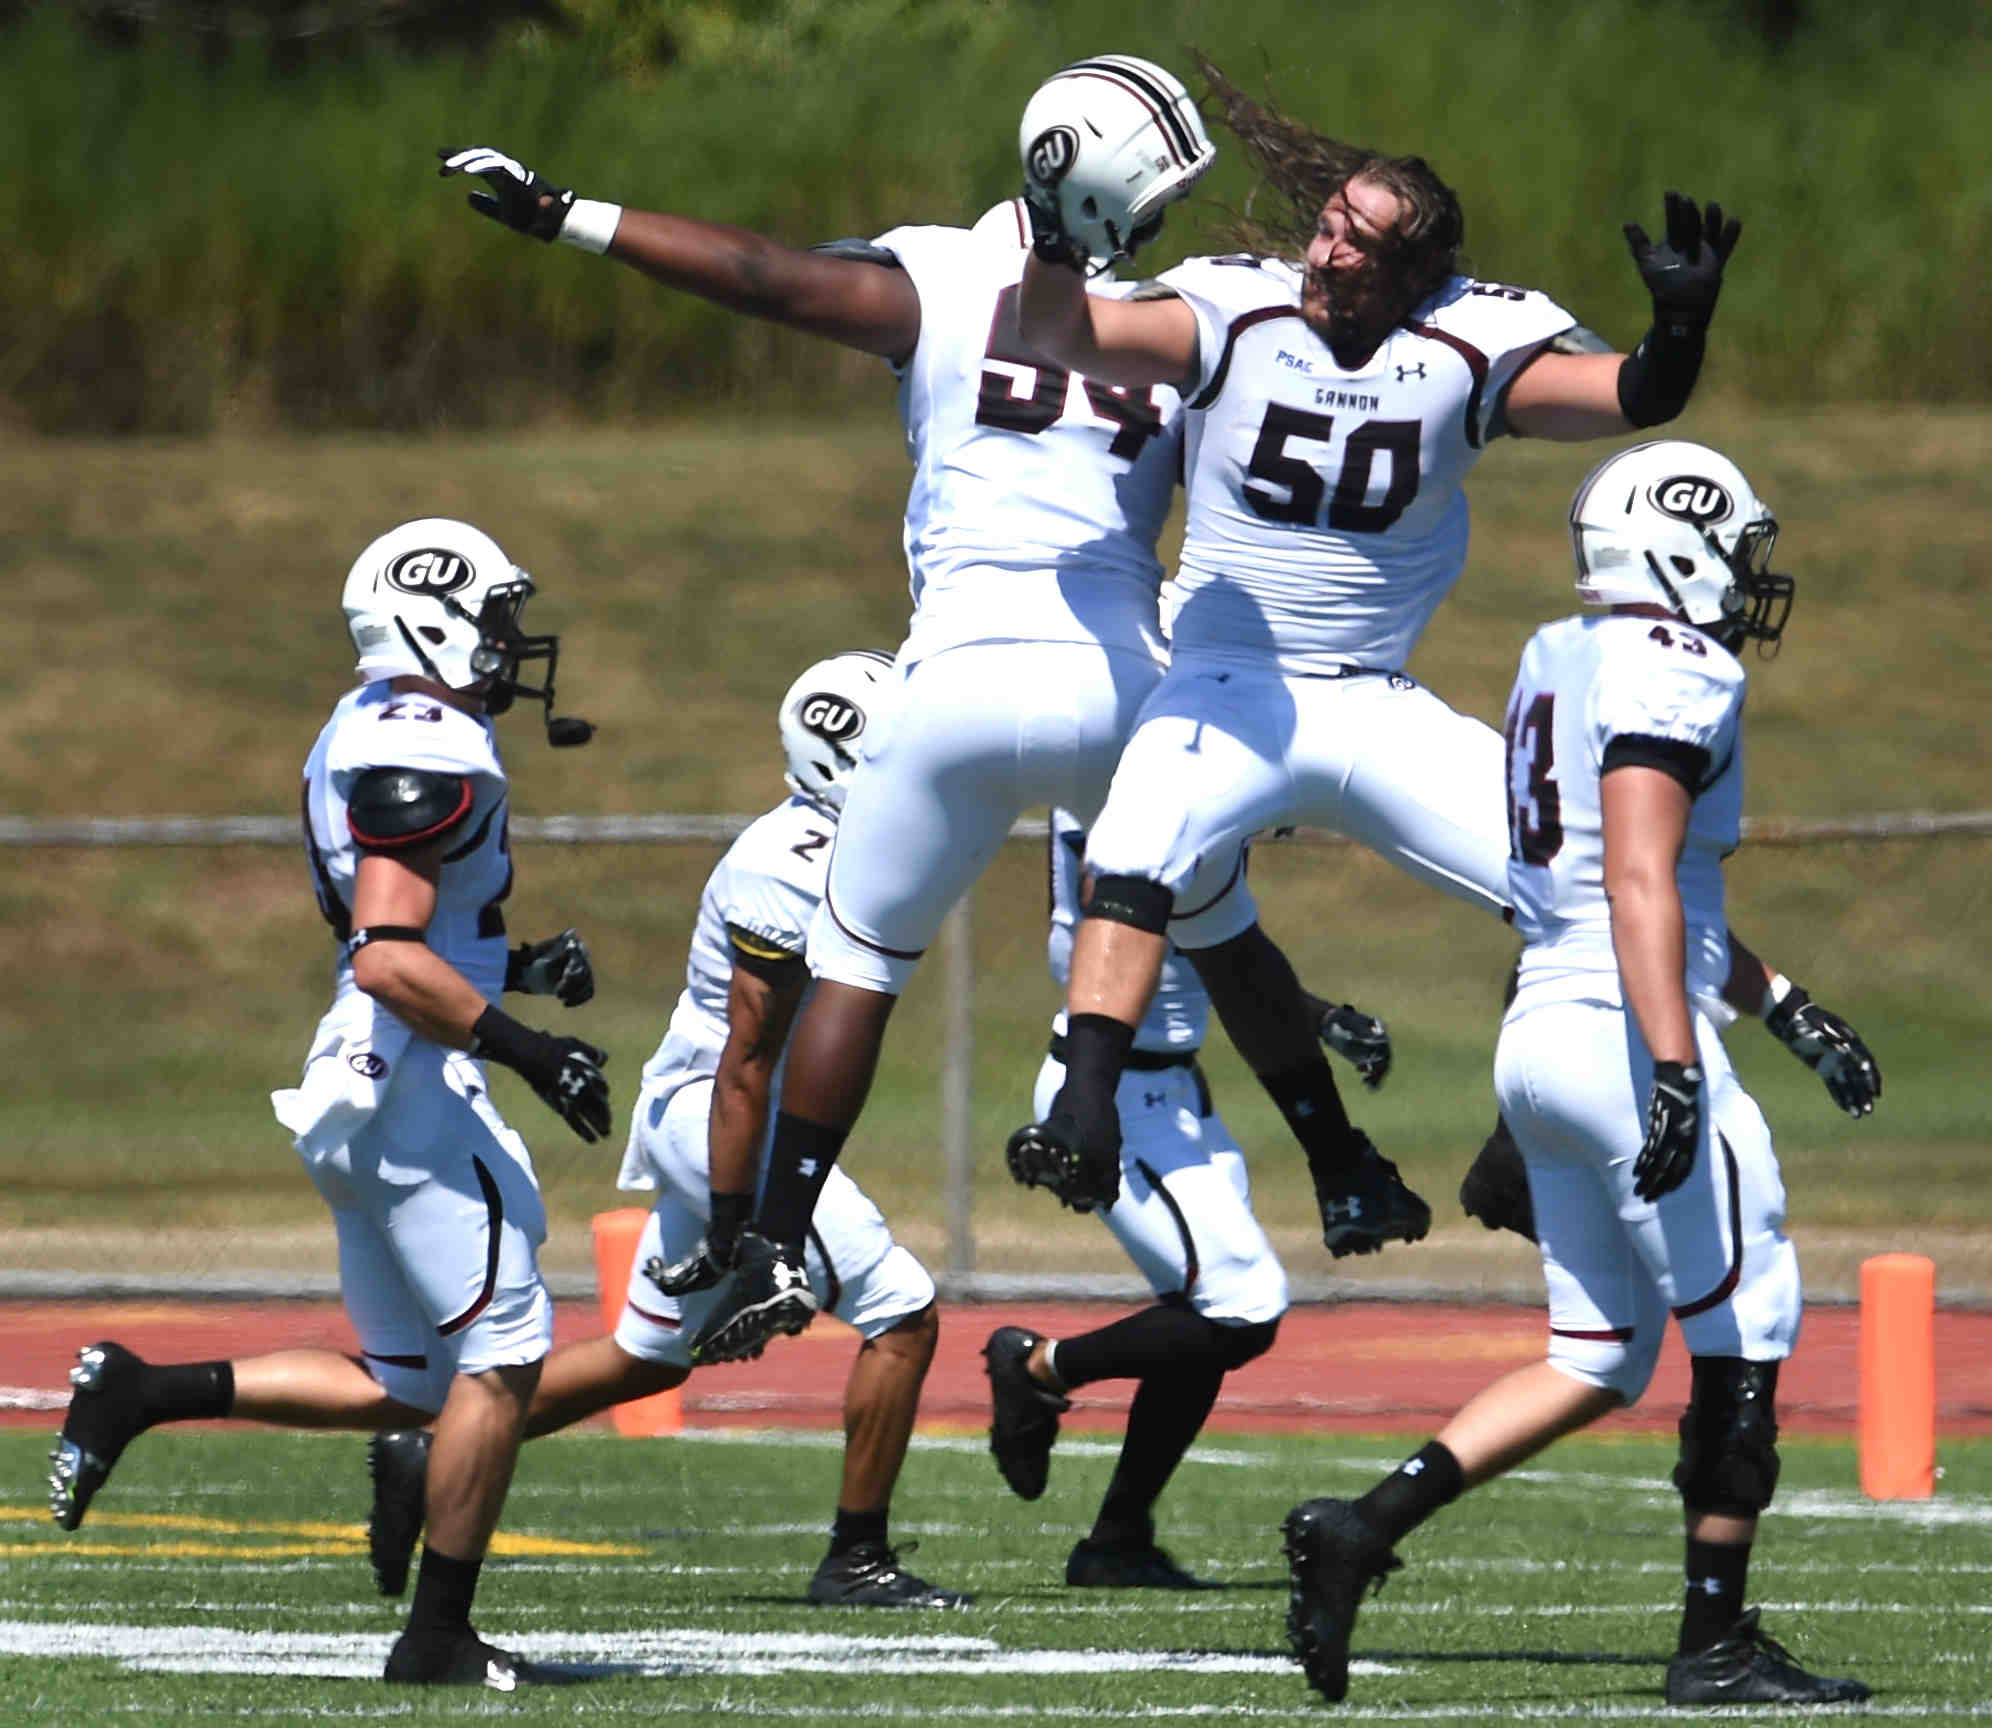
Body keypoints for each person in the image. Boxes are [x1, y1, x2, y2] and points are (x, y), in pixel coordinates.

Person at [432, 59, 1256, 1369]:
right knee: (1199, 914)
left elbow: (761, 274)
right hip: (1127, 686)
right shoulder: (1194, 317)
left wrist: (571, 213)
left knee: (860, 962)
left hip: (959, 680)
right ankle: (1289, 1142)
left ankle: (775, 1234)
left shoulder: (936, 276)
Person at [1004, 57, 1748, 1241]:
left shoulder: (1468, 343)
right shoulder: (1233, 310)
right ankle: (1084, 1112)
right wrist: (1050, 234)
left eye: (1360, 242)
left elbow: (1630, 398)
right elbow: (1057, 332)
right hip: (1226, 680)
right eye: (1331, 226)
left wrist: (1679, 331)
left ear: (1419, 275)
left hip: (1372, 699)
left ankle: (1516, 1148)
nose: (1327, 252)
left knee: (1576, 878)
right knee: (1134, 844)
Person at [1281, 440, 1880, 1706]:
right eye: (1737, 545)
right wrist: (1675, 1066)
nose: (1749, 576)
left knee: (1600, 1352)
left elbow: (1627, 890)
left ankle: (1362, 1529)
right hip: (1622, 1028)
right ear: (1678, 537)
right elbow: (1641, 882)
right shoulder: (1679, 664)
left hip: (1544, 1026)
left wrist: (1783, 1005)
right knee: (1749, 1325)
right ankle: (1713, 1642)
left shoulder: (1560, 657)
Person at [47, 518, 613, 1691]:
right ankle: (439, 1639)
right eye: (495, 618)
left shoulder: (355, 725)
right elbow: (391, 954)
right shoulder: (431, 739)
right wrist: (531, 1048)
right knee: (503, 1363)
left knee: (409, 1383)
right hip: (413, 1082)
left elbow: (401, 936)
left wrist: (517, 968)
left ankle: (142, 1390)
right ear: (434, 617)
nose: (511, 644)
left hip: (360, 1080)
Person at [365, 652, 970, 1610]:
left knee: (646, 1356)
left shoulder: (868, 841)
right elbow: (749, 1065)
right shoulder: (790, 866)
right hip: (717, 1116)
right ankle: (855, 1559)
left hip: (742, 1113)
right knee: (901, 1312)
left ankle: (432, 1454)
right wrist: (745, 1230)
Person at [986, 808, 1391, 1589]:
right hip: (1115, 1095)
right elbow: (1153, 932)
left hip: (1169, 1089)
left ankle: (1118, 1536)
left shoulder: (1138, 773)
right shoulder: (1137, 787)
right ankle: (1037, 1369)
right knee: (1241, 1306)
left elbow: (1205, 949)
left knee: (1200, 1316)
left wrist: (1317, 1016)